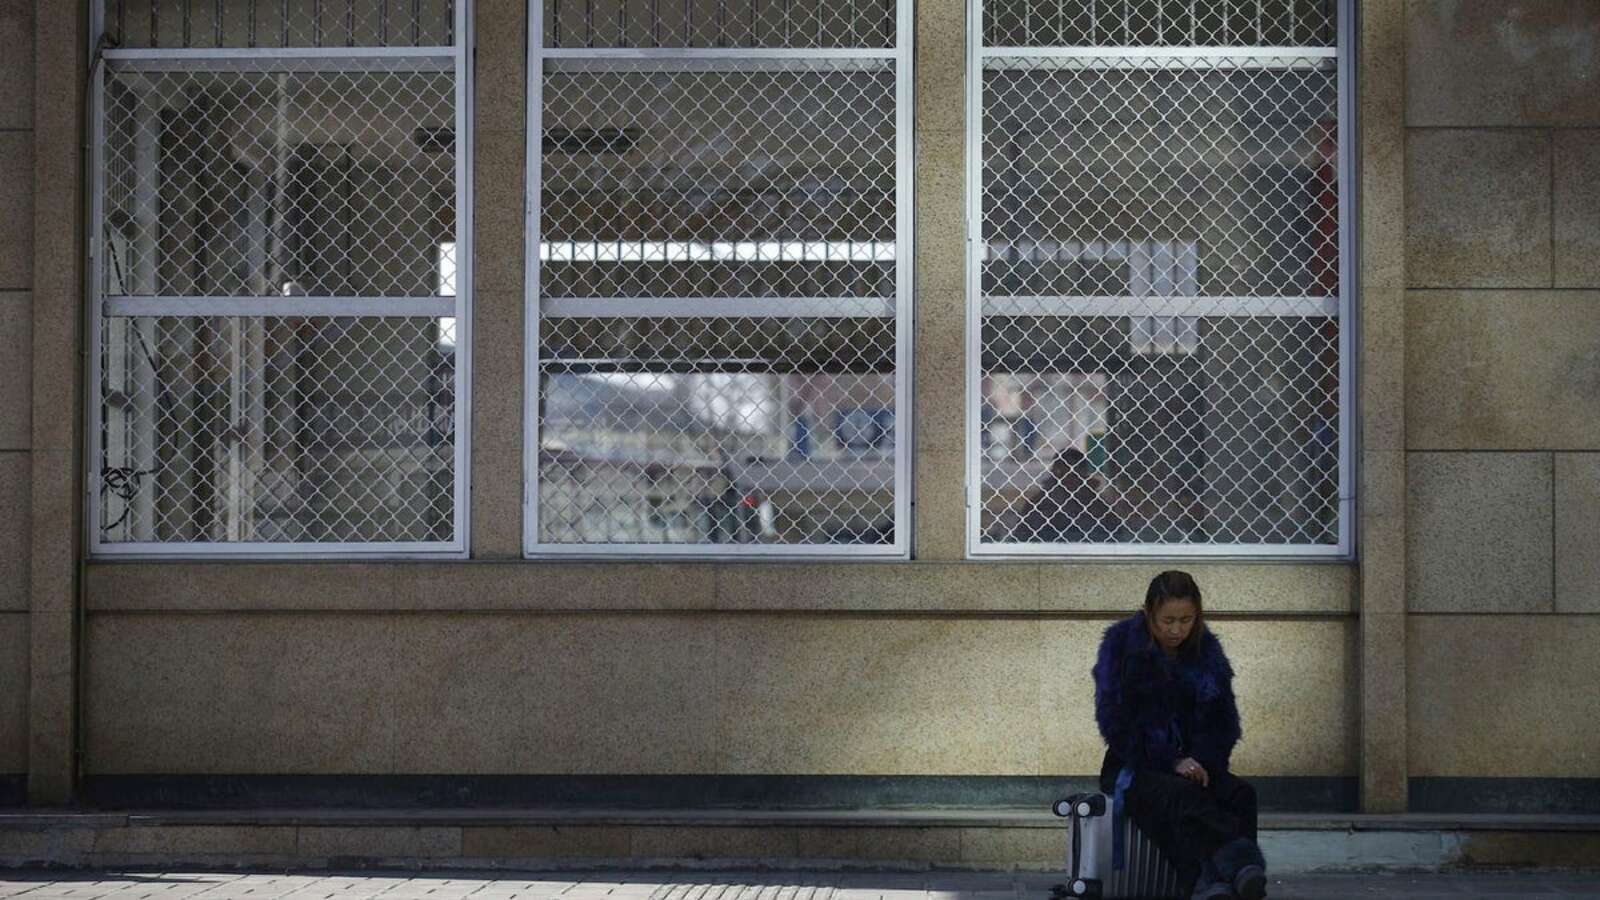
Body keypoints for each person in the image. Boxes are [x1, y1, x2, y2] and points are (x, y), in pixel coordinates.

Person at [1092, 570, 1267, 900]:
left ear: (1197, 615)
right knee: (1183, 795)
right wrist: (1171, 759)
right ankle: (1233, 870)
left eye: (1186, 620)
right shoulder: (1121, 647)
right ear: (1148, 613)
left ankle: (1228, 886)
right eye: (1167, 620)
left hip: (1195, 762)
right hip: (1136, 766)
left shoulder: (1208, 654)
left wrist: (1201, 761)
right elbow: (1115, 722)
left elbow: (1223, 722)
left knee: (1241, 794)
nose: (1176, 630)